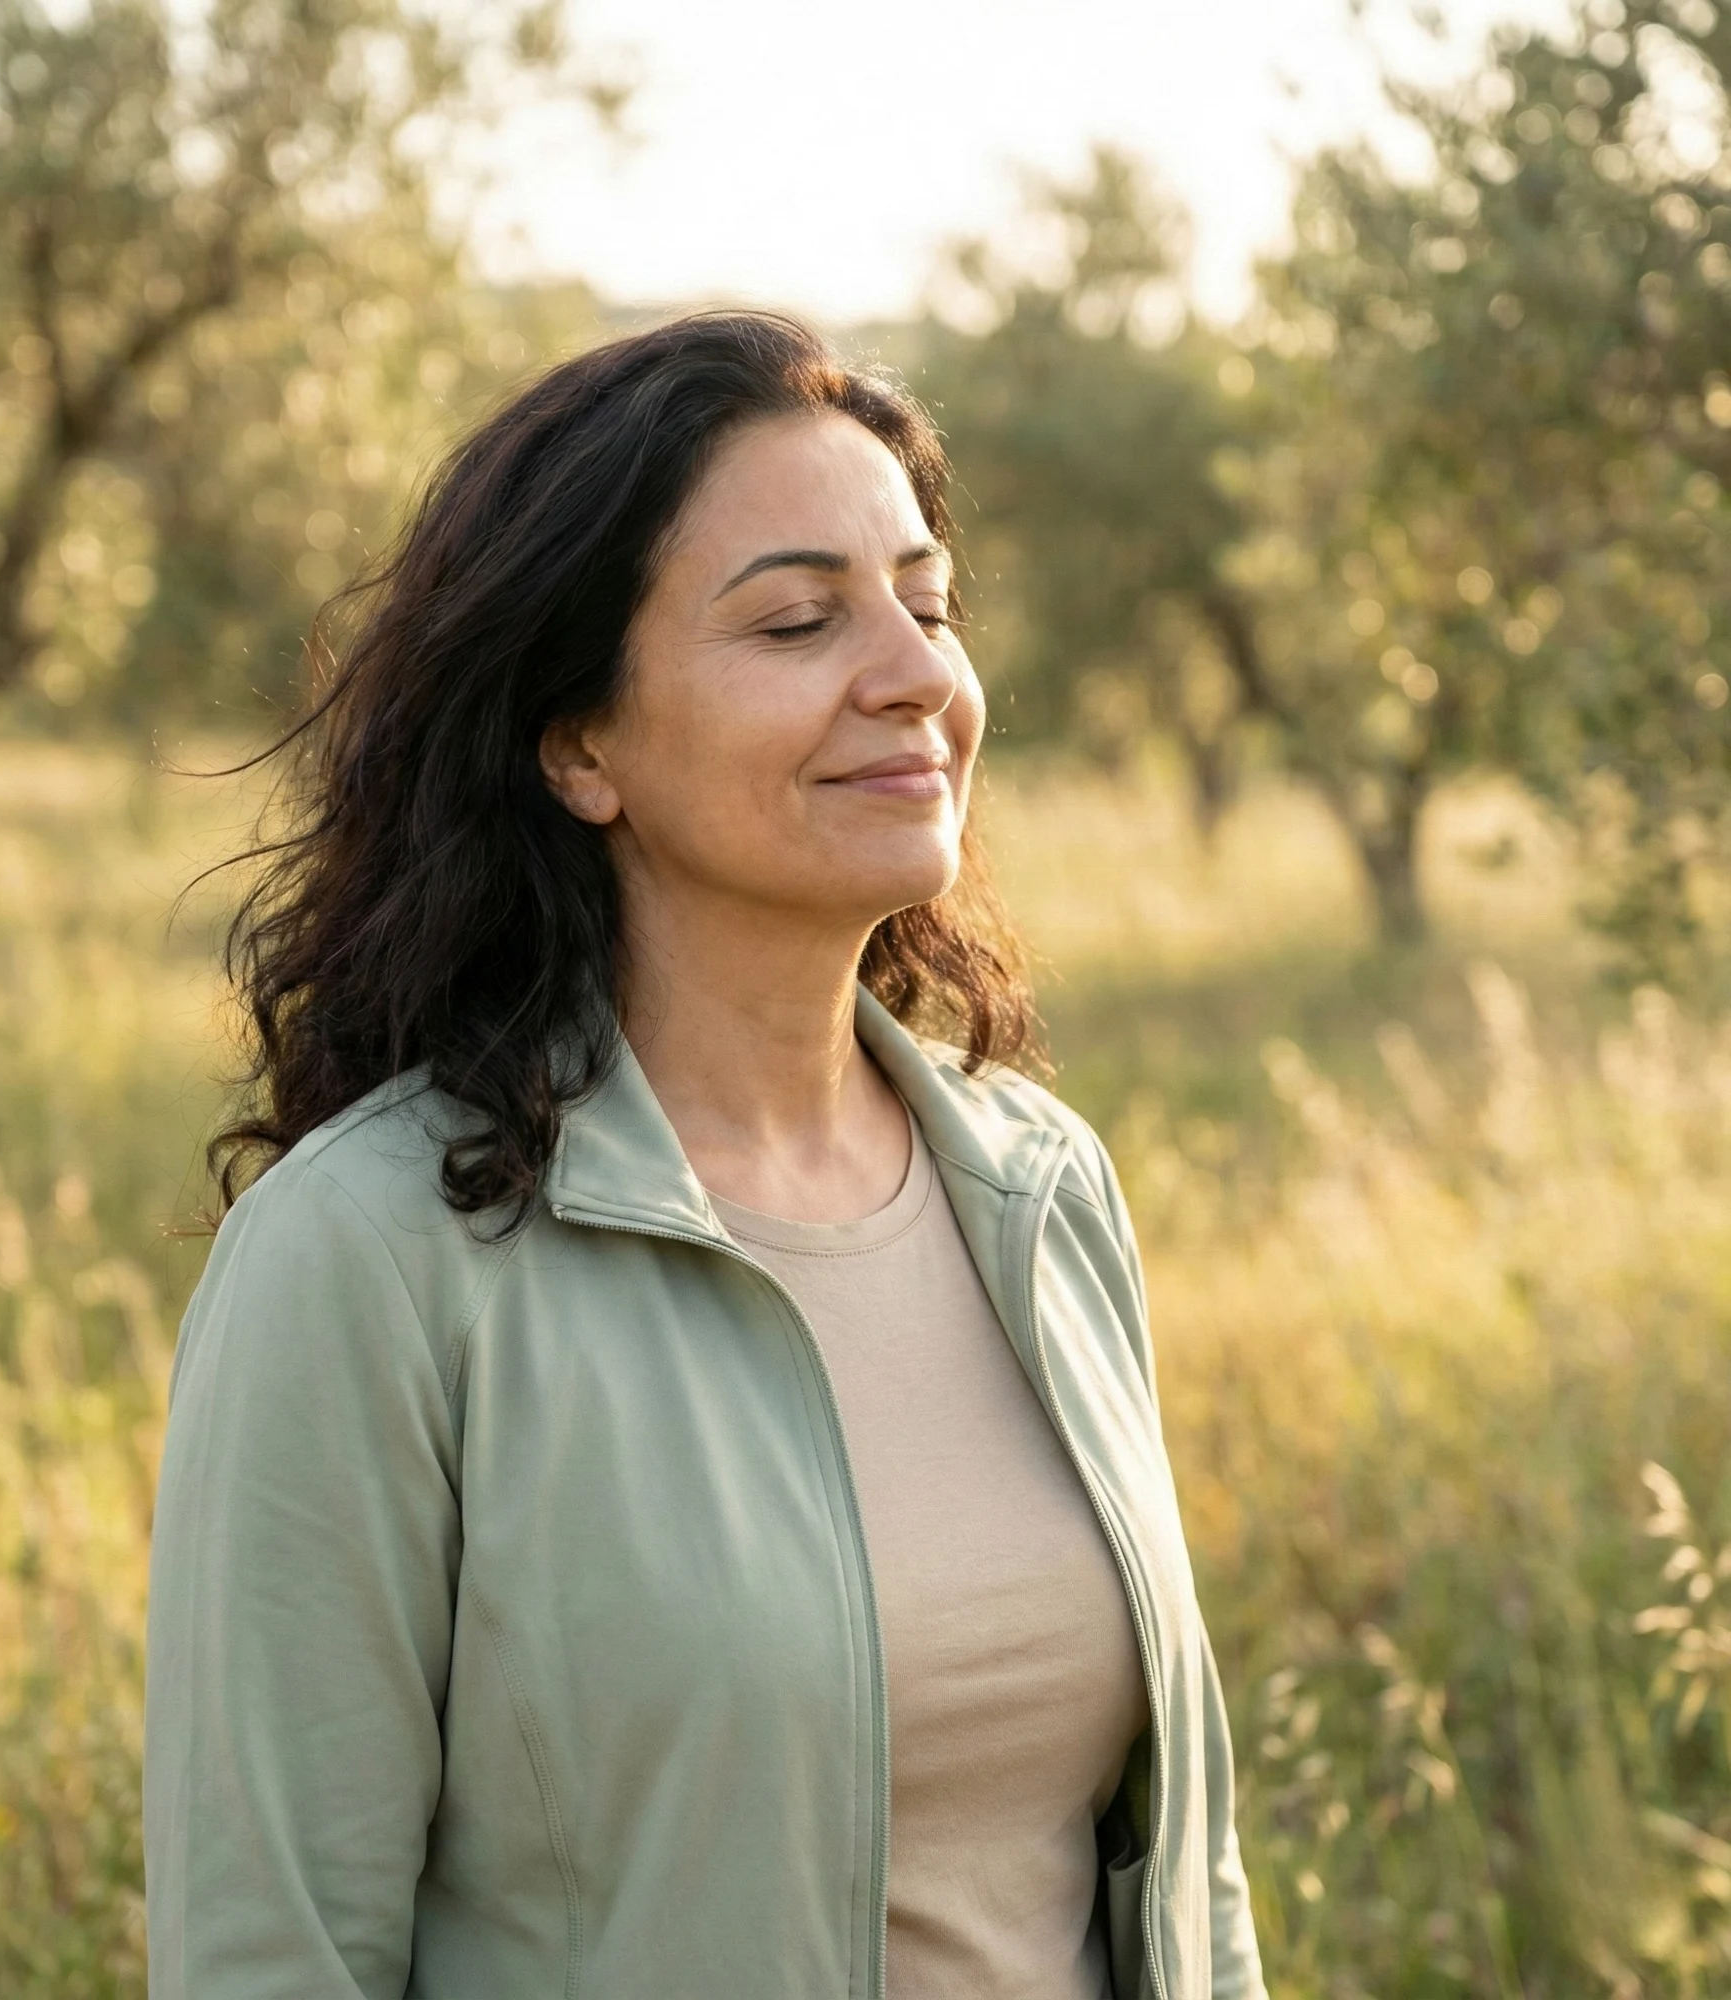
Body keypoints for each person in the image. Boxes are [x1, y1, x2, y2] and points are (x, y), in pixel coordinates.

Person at [144, 311, 1266, 2000]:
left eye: (928, 600)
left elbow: (1195, 1887)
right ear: (579, 744)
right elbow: (273, 1955)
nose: (912, 673)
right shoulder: (370, 1257)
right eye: (802, 619)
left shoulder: (1039, 1189)